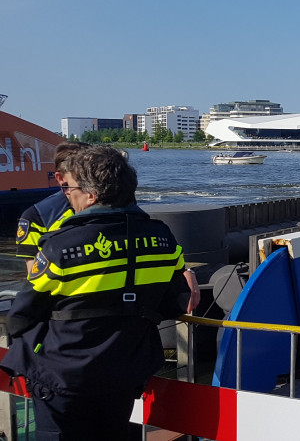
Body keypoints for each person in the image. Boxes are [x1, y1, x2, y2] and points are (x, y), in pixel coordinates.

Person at [0, 146, 193, 441]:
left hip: (65, 377)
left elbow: (22, 314)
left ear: (91, 195)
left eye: (71, 189)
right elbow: (175, 300)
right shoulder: (163, 237)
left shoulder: (61, 247)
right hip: (126, 370)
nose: (67, 195)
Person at [14, 142, 200, 312]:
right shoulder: (37, 217)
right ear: (61, 177)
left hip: (96, 325)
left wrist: (185, 272)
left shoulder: (121, 211)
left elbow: (24, 311)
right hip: (78, 315)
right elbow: (35, 282)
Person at [14, 142, 89, 269]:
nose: (89, 182)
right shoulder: (36, 217)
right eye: (82, 176)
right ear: (60, 178)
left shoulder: (110, 203)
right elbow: (33, 273)